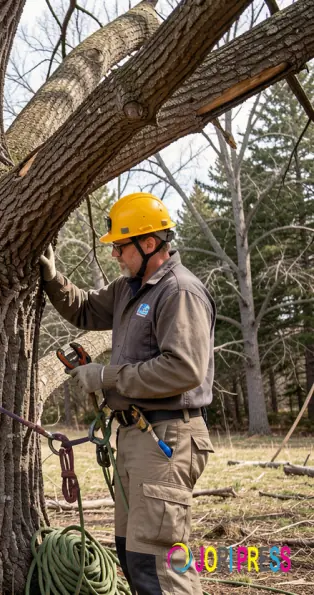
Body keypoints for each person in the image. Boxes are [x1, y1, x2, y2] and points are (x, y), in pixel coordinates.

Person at [39, 192, 215, 594]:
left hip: (168, 437)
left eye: (121, 246)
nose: (115, 254)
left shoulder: (179, 292)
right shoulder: (128, 289)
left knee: (156, 563)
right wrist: (52, 277)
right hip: (137, 435)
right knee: (131, 554)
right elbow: (84, 308)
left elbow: (184, 369)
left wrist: (107, 376)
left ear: (149, 243)